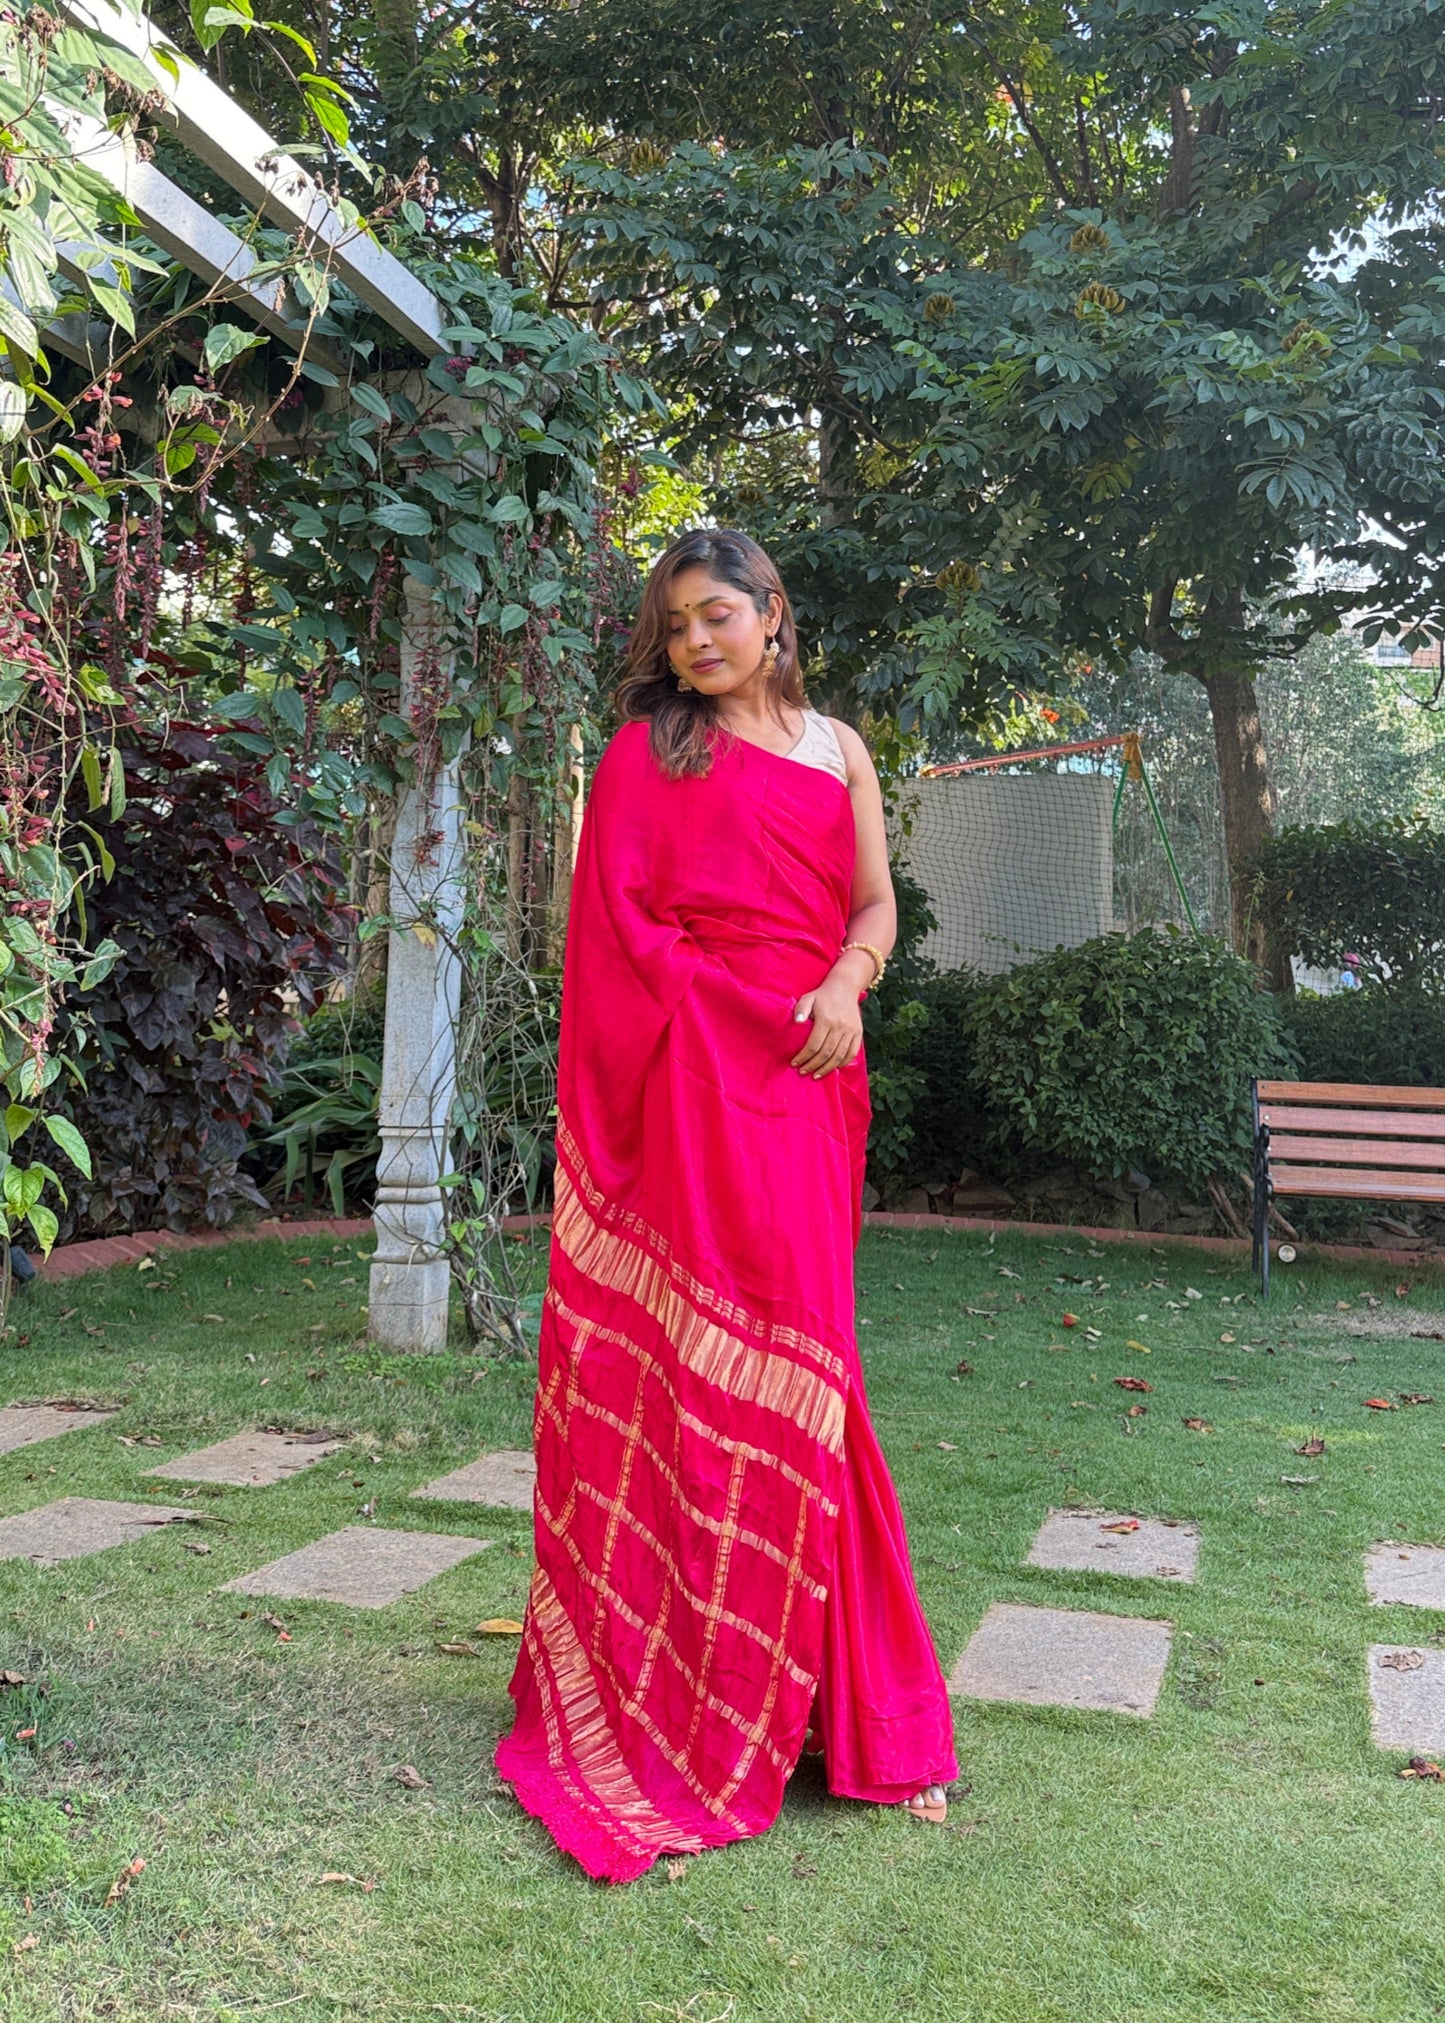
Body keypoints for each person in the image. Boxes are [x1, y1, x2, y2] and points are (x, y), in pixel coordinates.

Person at [496, 528, 957, 1883]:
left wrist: (841, 986)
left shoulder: (838, 749)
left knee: (809, 1378)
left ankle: (851, 1718)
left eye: (716, 617)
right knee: (693, 1378)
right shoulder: (647, 756)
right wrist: (730, 1004)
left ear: (771, 616)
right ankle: (677, 1703)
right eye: (675, 626)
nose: (695, 643)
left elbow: (872, 904)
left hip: (808, 1077)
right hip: (694, 1071)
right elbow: (618, 930)